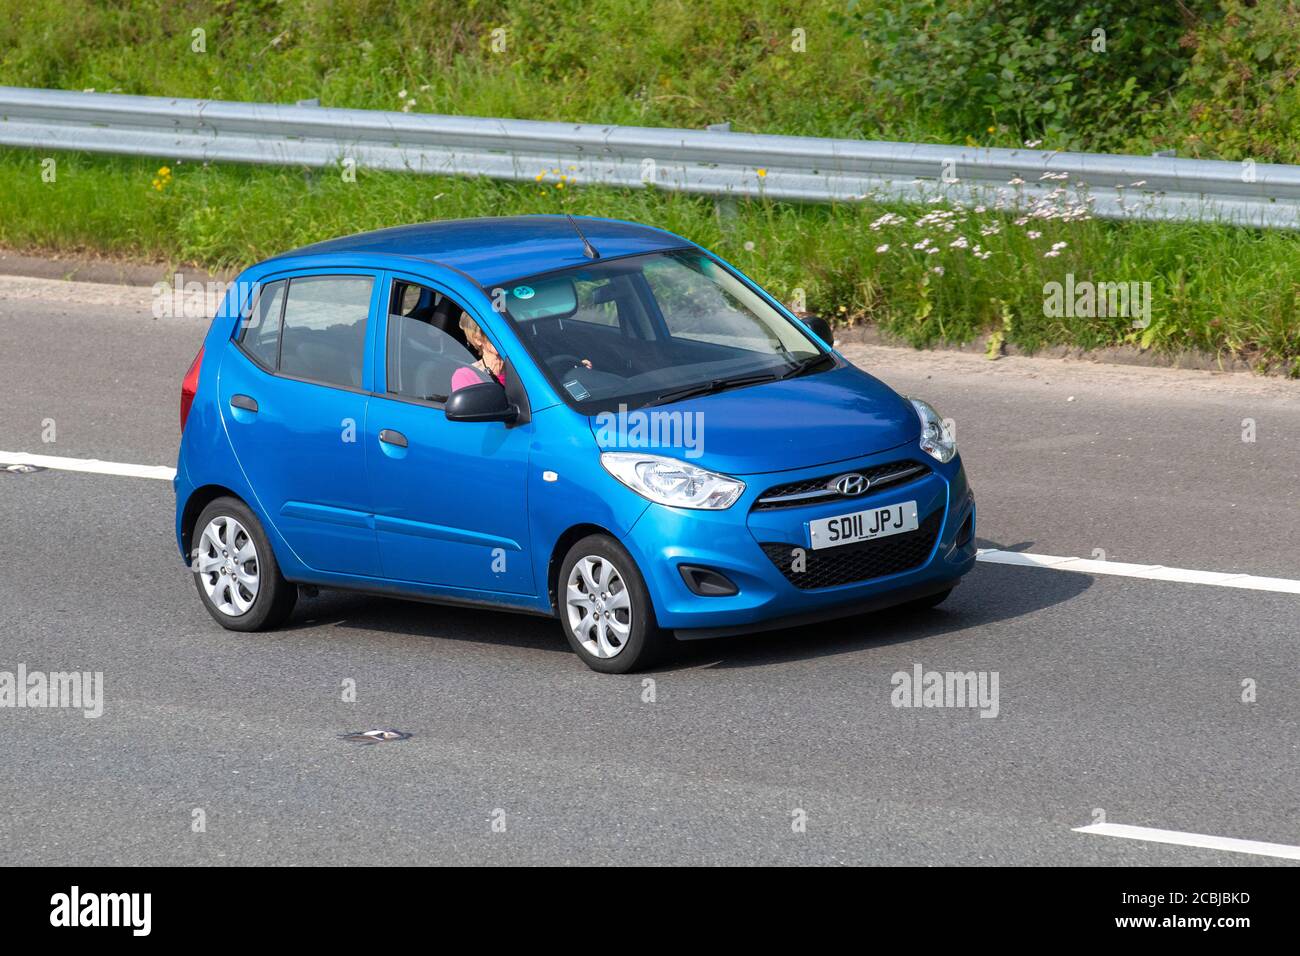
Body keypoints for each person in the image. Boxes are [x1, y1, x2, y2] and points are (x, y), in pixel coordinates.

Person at [451, 314, 506, 392]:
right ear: (477, 339)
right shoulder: (466, 376)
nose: (500, 335)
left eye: (503, 330)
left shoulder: (523, 365)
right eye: (492, 332)